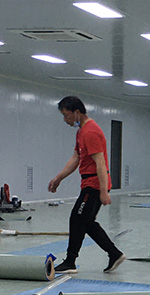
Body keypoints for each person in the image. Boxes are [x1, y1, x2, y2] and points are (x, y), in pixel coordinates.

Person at [48, 96, 125, 274]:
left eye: (66, 115)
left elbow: (101, 163)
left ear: (77, 112)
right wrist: (59, 178)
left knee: (78, 219)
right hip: (89, 183)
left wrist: (104, 191)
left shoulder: (91, 132)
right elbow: (76, 159)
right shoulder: (81, 132)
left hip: (95, 184)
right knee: (85, 221)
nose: (65, 119)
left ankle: (71, 261)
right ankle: (114, 254)